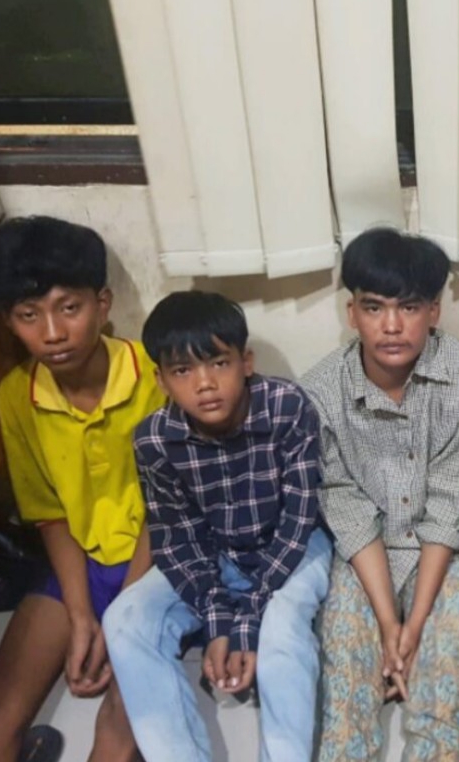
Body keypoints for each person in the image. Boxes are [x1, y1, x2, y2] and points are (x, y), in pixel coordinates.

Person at [301, 229, 459, 761]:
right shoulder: (321, 391)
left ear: (434, 312)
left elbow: (450, 510)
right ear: (352, 313)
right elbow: (347, 511)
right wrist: (388, 623)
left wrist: (413, 628)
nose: (391, 326)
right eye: (374, 308)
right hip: (366, 554)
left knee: (442, 704)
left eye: (409, 307)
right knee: (345, 699)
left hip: (453, 551)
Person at [102, 291, 331, 762]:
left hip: (291, 548)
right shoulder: (154, 440)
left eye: (219, 363)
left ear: (246, 362)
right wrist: (216, 618)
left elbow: (299, 518)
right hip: (216, 555)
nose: (204, 384)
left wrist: (244, 623)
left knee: (282, 636)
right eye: (183, 371)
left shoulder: (286, 407)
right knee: (124, 620)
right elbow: (177, 538)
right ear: (161, 380)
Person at [0, 216, 164, 762]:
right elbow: (49, 512)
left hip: (160, 561)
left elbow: (167, 511)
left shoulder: (156, 377)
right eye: (28, 315)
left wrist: (120, 617)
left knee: (121, 723)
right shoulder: (17, 395)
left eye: (69, 307)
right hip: (79, 561)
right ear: (8, 321)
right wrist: (82, 615)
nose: (52, 332)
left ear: (102, 305)